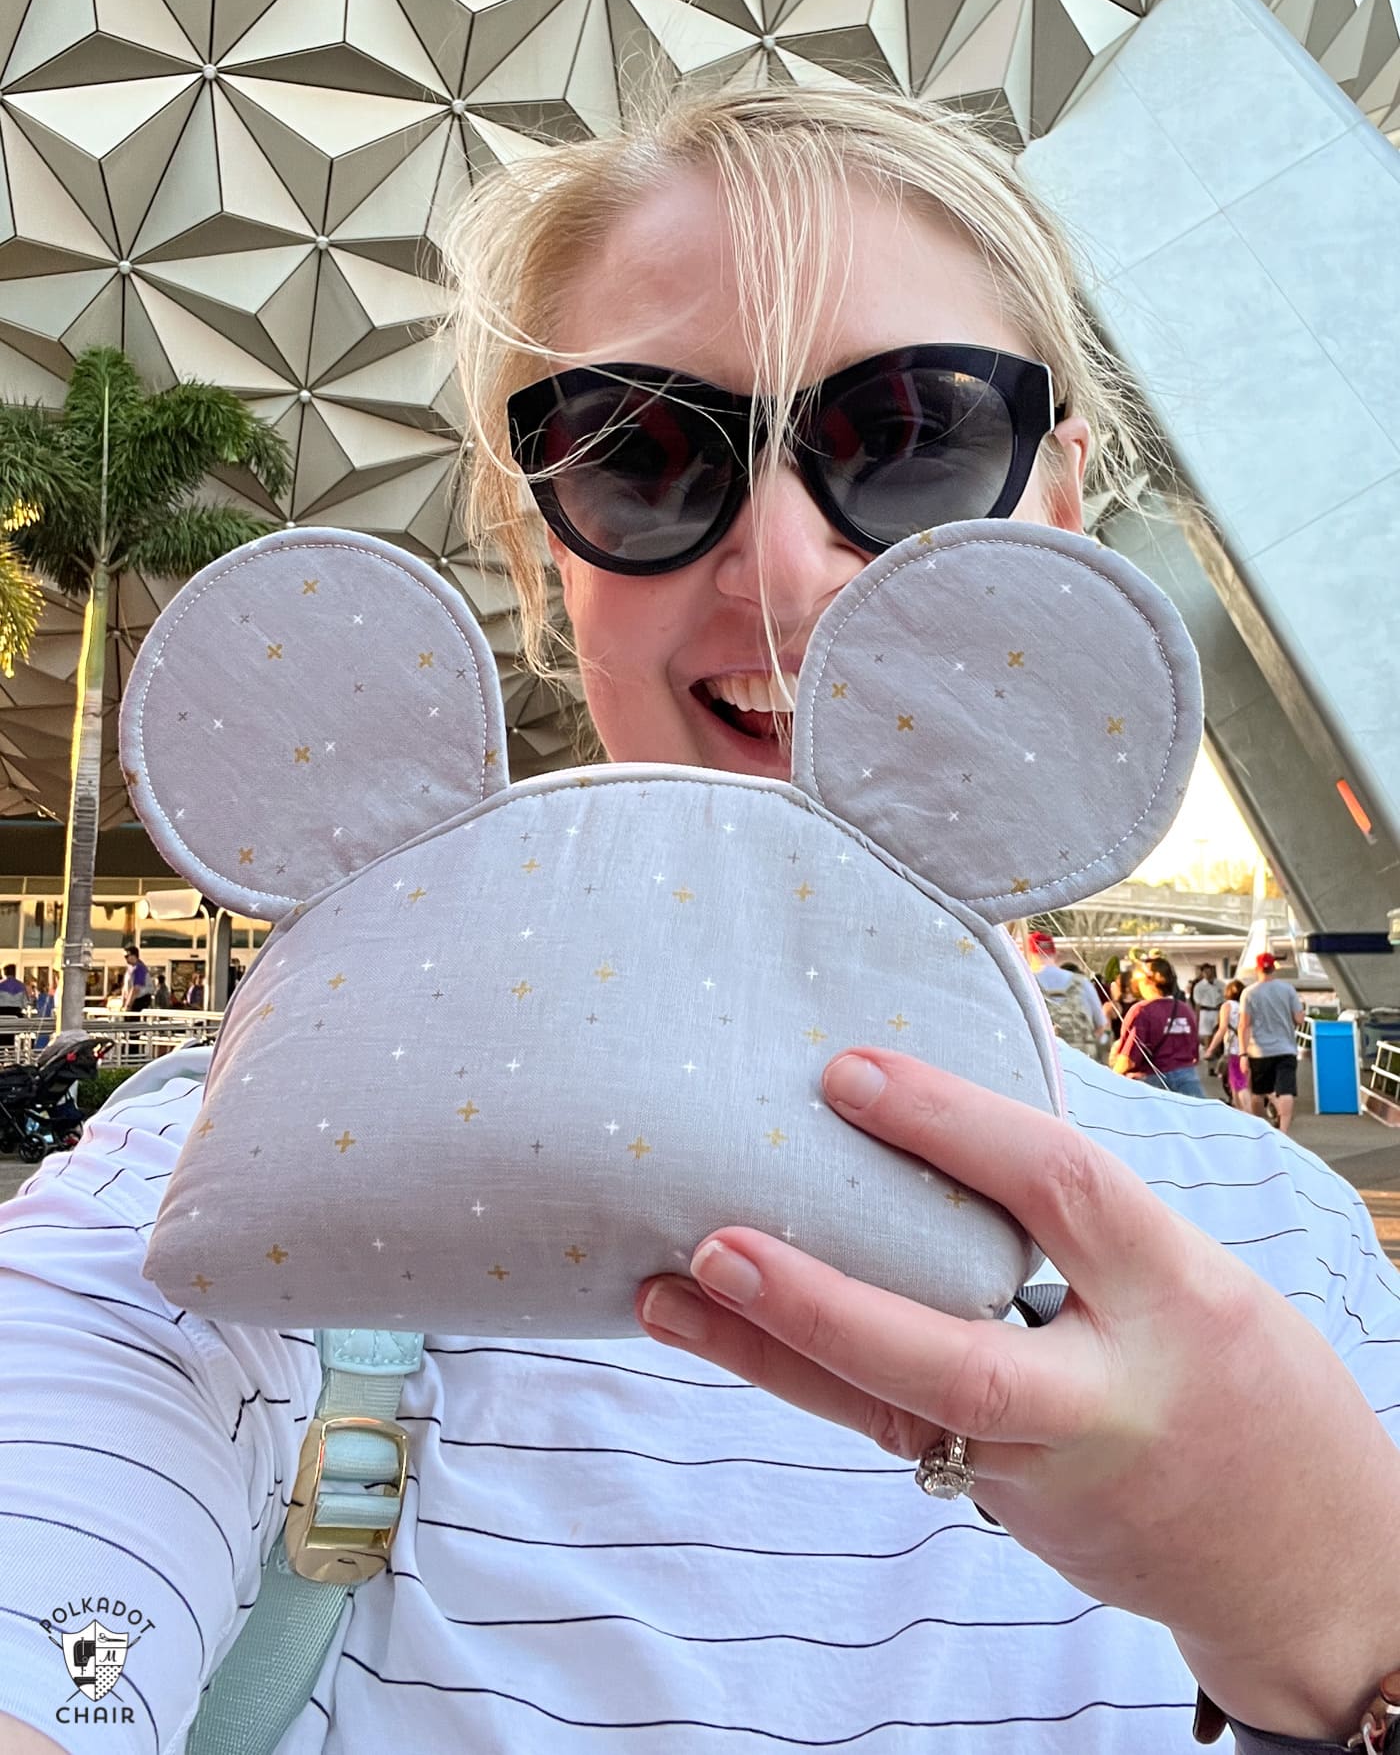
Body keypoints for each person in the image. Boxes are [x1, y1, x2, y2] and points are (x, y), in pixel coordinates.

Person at [2, 84, 1400, 1755]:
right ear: (540, 555)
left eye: (912, 435)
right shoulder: (226, 1219)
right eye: (645, 456)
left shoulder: (1289, 1251)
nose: (784, 567)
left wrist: (1337, 1622)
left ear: (1061, 499)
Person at [1109, 955, 1206, 1096]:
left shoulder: (1142, 1010)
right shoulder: (1186, 1010)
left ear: (1148, 981)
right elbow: (1194, 1051)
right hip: (1189, 1083)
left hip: (1154, 1084)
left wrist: (1111, 1078)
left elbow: (1129, 1058)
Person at [1239, 951, 1306, 1136]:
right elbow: (1299, 1019)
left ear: (1257, 968)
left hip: (1258, 1051)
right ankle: (1283, 1132)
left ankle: (1263, 1130)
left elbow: (1244, 1025)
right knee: (1286, 1090)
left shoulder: (1249, 993)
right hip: (1286, 1049)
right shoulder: (1288, 989)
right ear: (1273, 968)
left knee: (1259, 1092)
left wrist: (1243, 1054)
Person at [1026, 930, 1106, 1060]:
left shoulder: (1027, 983)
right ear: (1055, 954)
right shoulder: (1082, 982)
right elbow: (1101, 1025)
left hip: (1044, 1061)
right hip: (1081, 1061)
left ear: (1029, 955)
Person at [1206, 977, 1251, 1112]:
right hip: (1250, 1047)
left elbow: (1222, 1029)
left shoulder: (1227, 1006)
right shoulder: (1246, 1005)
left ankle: (1248, 1115)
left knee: (1239, 1084)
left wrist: (1210, 1049)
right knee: (1239, 1083)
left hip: (1235, 1049)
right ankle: (1241, 1112)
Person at [1190, 960, 1224, 1055]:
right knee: (1207, 1033)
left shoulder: (1221, 984)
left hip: (1218, 1010)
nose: (1208, 974)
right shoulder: (1199, 987)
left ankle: (1217, 1052)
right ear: (1202, 973)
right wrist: (1197, 1019)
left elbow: (1225, 998)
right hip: (1205, 1011)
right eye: (1205, 972)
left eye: (1209, 971)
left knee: (1218, 1032)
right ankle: (1208, 1052)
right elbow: (1198, 1003)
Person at [0, 963, 26, 1054]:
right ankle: (12, 1053)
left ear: (5, 973)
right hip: (16, 1014)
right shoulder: (21, 986)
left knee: (2, 1036)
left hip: (2, 1014)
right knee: (13, 1035)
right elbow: (25, 1003)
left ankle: (2, 1055)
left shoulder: (1, 985)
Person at [120, 945, 150, 1013]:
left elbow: (136, 989)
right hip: (131, 1002)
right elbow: (125, 987)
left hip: (138, 1002)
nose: (125, 958)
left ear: (134, 956)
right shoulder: (130, 968)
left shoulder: (139, 968)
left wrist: (128, 1005)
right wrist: (123, 1002)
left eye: (127, 956)